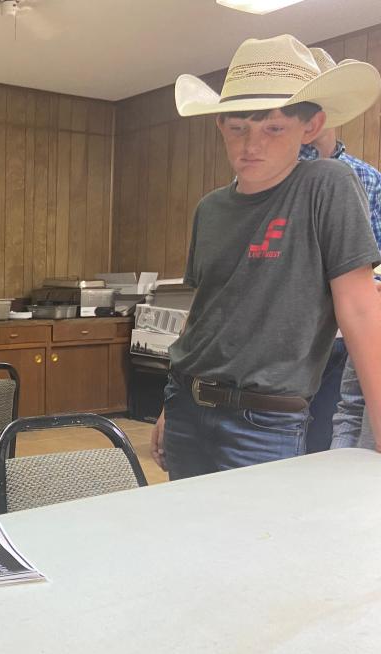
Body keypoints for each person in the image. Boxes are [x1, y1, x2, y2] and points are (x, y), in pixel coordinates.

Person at [150, 35, 381, 480]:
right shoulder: (210, 209)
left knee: (258, 542)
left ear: (309, 126)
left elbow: (359, 306)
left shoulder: (327, 185)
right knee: (187, 536)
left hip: (265, 421)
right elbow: (204, 316)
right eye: (238, 128)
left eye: (273, 128)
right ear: (220, 125)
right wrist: (168, 405)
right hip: (185, 405)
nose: (250, 144)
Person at [299, 47, 381, 453]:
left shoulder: (368, 178)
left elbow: (376, 261)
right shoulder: (277, 178)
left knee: (331, 436)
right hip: (292, 340)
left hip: (346, 339)